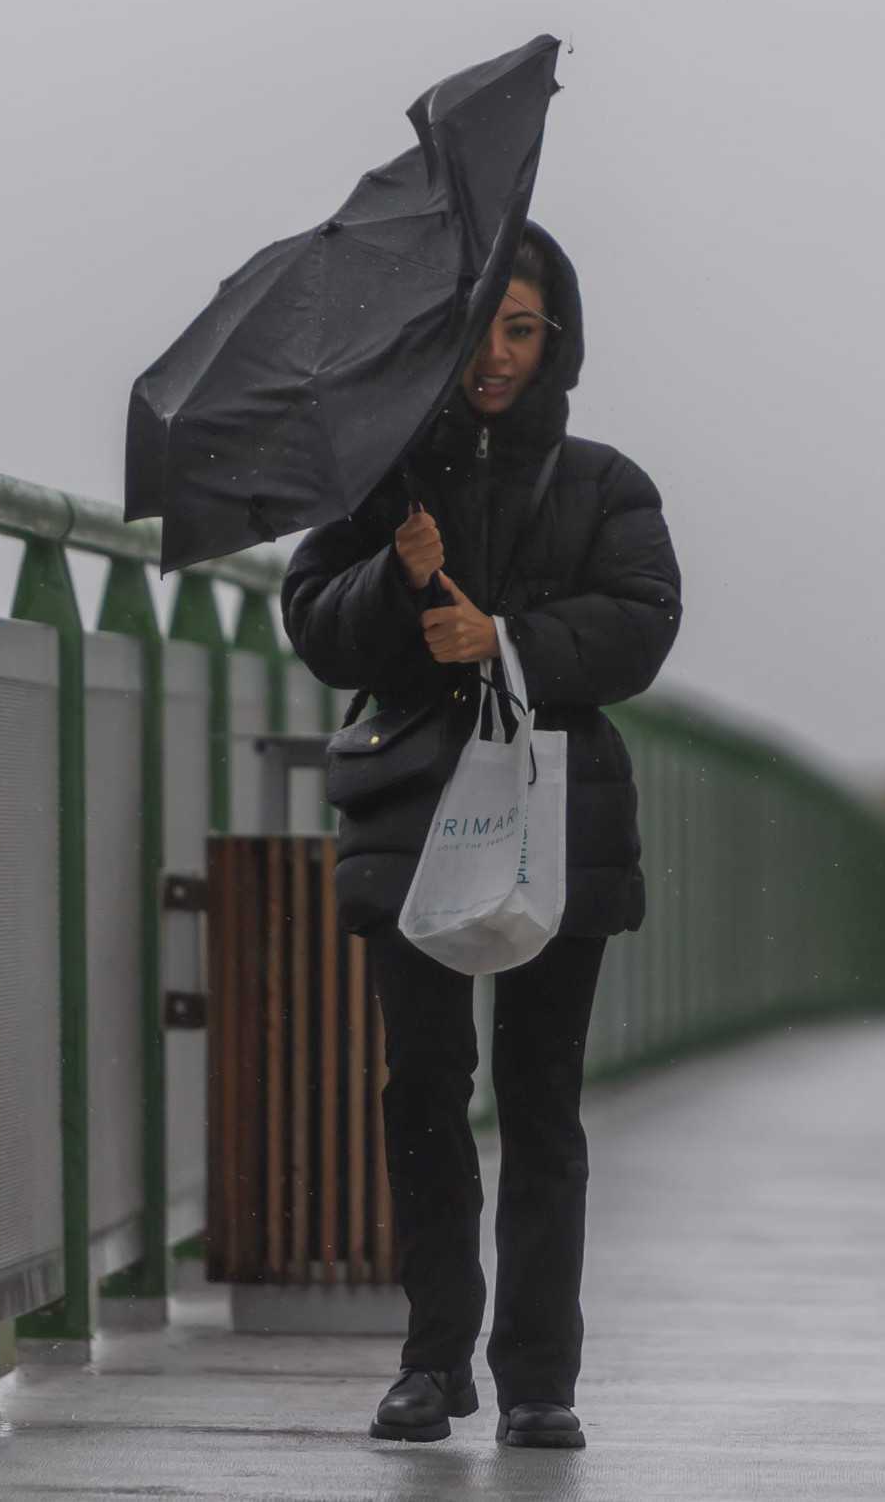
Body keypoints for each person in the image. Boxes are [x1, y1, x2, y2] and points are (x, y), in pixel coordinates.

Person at [281, 221, 682, 1449]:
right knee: (424, 1088)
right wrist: (398, 582)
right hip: (416, 812)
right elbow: (315, 624)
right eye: (479, 330)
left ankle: (540, 1379)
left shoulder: (606, 483)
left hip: (560, 810)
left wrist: (501, 638)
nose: (496, 357)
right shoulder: (386, 475)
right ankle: (431, 1358)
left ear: (555, 338)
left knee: (542, 1099)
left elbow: (642, 624)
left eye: (521, 330)